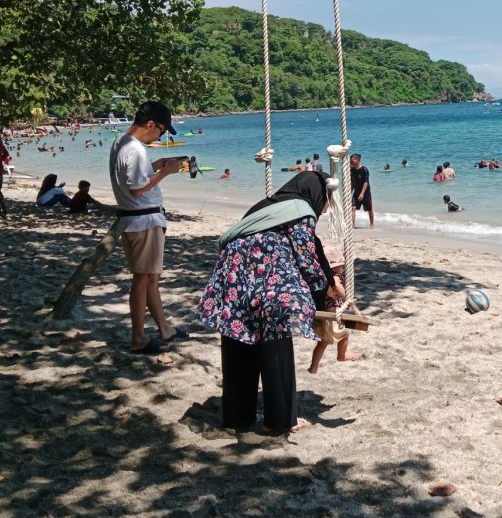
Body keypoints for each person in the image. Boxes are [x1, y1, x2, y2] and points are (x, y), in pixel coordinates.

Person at [198, 172, 342, 433]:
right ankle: (279, 422)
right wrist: (323, 294)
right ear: (317, 193)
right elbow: (307, 257)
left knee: (239, 339)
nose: (325, 206)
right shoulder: (300, 210)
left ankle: (237, 417)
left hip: (233, 278)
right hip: (268, 281)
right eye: (326, 200)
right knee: (275, 343)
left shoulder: (263, 207)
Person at [110, 101, 187, 354]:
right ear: (151, 124)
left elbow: (133, 178)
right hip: (143, 220)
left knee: (150, 278)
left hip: (135, 219)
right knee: (142, 280)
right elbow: (136, 189)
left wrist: (156, 165)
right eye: (162, 131)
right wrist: (166, 172)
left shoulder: (121, 143)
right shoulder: (135, 149)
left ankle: (164, 328)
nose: (161, 136)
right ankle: (138, 338)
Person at [350, 153, 373, 227]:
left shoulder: (364, 169)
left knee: (369, 209)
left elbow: (366, 182)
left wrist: (362, 193)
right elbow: (352, 182)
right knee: (353, 208)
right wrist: (349, 192)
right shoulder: (352, 170)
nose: (351, 162)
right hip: (356, 193)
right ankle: (352, 225)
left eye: (352, 160)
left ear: (357, 160)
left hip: (365, 193)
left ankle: (371, 224)